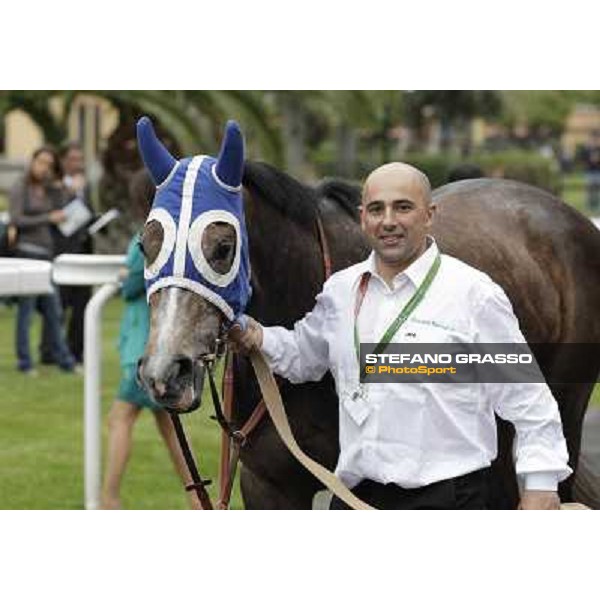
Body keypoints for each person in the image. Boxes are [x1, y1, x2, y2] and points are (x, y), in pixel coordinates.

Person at [231, 162, 571, 510]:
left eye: (403, 207)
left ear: (429, 215)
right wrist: (256, 336)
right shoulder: (342, 291)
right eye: (377, 209)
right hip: (356, 497)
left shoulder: (473, 294)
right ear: (363, 218)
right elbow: (303, 355)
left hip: (449, 500)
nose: (388, 220)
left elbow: (528, 399)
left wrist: (541, 486)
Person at [101, 170, 202, 510]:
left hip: (146, 348)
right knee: (170, 427)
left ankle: (108, 499)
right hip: (159, 343)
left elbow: (133, 283)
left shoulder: (147, 238)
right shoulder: (170, 238)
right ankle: (198, 501)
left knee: (120, 418)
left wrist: (122, 278)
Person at [8, 146, 77, 375]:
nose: (44, 168)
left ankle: (65, 361)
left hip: (47, 256)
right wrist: (47, 218)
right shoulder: (21, 187)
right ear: (32, 161)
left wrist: (64, 187)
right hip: (28, 254)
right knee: (26, 312)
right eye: (41, 162)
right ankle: (25, 362)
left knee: (54, 310)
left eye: (49, 164)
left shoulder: (48, 189)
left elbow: (67, 205)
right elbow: (16, 218)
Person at [41, 142, 94, 365]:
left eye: (80, 159)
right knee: (58, 305)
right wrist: (70, 192)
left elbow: (87, 212)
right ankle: (50, 351)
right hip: (61, 250)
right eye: (72, 159)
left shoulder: (85, 186)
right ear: (62, 161)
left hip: (84, 249)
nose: (77, 163)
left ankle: (76, 351)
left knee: (82, 305)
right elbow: (52, 214)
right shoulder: (55, 186)